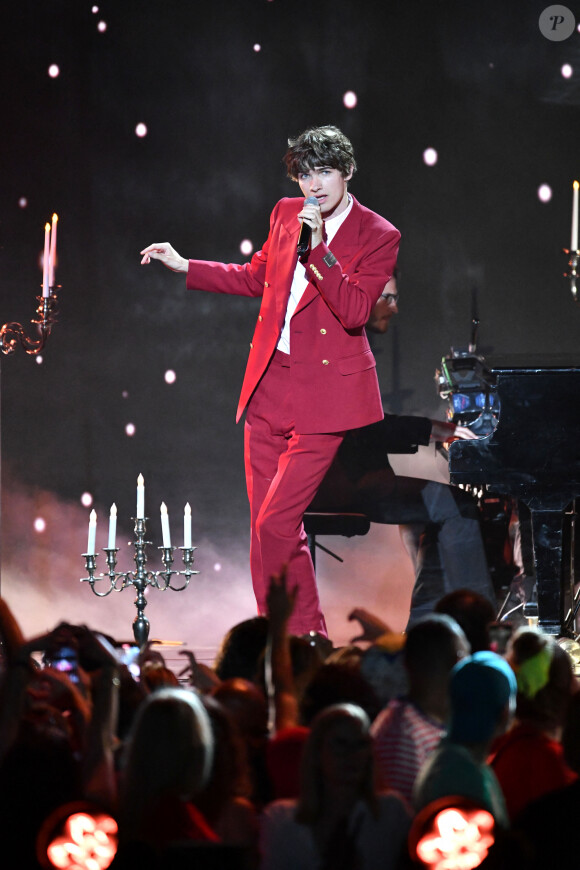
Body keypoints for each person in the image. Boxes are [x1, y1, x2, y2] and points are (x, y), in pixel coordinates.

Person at [140, 125, 400, 637]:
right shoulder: (285, 214)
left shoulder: (378, 234)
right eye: (305, 174)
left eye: (324, 172)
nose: (314, 185)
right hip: (268, 388)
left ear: (347, 171)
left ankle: (309, 639)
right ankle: (274, 639)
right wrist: (185, 265)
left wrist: (320, 249)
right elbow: (255, 278)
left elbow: (352, 312)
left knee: (275, 523)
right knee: (264, 533)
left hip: (326, 397)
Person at [309, 270, 497, 626]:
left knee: (426, 504)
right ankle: (474, 619)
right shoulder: (338, 350)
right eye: (388, 298)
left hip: (342, 468)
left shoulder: (335, 341)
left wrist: (431, 446)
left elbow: (366, 429)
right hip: (338, 479)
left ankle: (428, 617)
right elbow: (369, 429)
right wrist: (438, 429)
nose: (394, 308)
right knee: (459, 506)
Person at [259, 703, 411, 870]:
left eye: (361, 744)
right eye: (340, 744)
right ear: (317, 752)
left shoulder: (391, 812)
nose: (351, 754)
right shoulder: (280, 820)